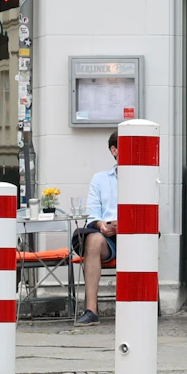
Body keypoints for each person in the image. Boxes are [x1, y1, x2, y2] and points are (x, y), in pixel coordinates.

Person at [76, 134, 118, 326]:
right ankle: (91, 310)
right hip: (109, 237)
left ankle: (140, 306)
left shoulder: (147, 176)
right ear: (114, 150)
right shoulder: (100, 179)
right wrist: (101, 225)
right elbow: (92, 215)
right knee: (92, 239)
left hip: (136, 236)